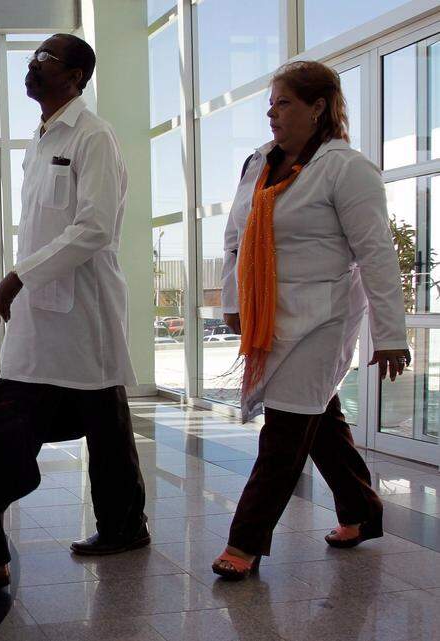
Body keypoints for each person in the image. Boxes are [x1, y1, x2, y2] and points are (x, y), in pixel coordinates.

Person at [211, 60, 409, 580]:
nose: (272, 114)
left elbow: (376, 254)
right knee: (318, 420)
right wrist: (233, 301)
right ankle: (362, 512)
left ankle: (244, 541)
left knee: (285, 429)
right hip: (271, 315)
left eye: (284, 103)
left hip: (325, 317)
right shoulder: (259, 163)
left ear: (318, 107)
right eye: (270, 104)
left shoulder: (348, 168)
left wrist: (390, 334)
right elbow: (235, 238)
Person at [0, 33, 149, 559]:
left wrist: (19, 276)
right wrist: (26, 279)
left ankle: (124, 526)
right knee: (17, 418)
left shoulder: (92, 136)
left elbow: (95, 227)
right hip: (40, 314)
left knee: (103, 426)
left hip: (84, 312)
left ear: (75, 77)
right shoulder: (40, 140)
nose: (33, 65)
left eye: (46, 59)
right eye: (32, 57)